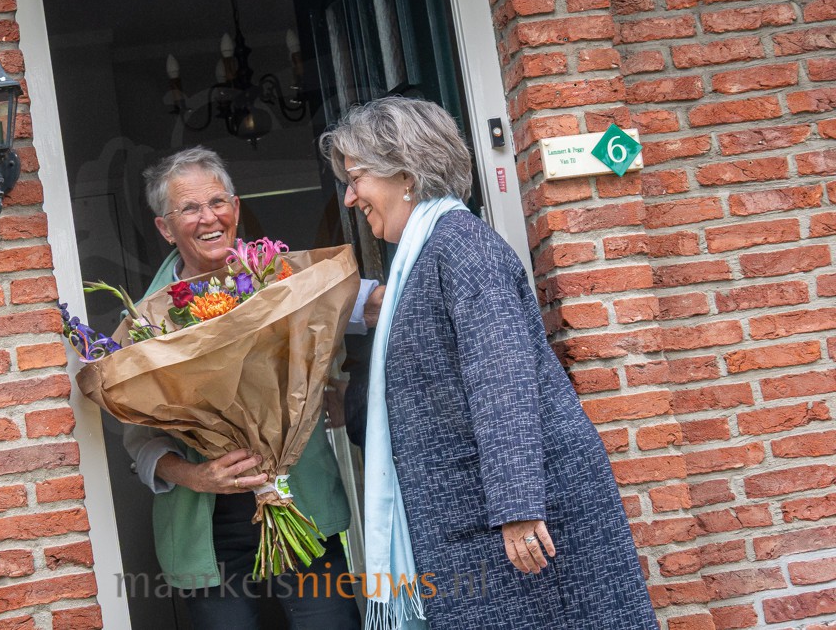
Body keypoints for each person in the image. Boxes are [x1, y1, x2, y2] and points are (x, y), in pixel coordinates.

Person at [320, 97, 658, 630]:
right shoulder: (426, 255)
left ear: (404, 173)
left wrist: (518, 507)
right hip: (472, 518)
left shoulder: (461, 249)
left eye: (356, 176)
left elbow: (502, 379)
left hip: (514, 523)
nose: (349, 195)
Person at [122, 146, 366, 630]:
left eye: (218, 202)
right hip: (209, 528)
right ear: (165, 228)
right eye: (189, 208)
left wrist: (337, 388)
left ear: (235, 208)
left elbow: (354, 311)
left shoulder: (285, 280)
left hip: (303, 508)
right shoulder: (142, 324)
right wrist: (194, 476)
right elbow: (136, 436)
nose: (208, 218)